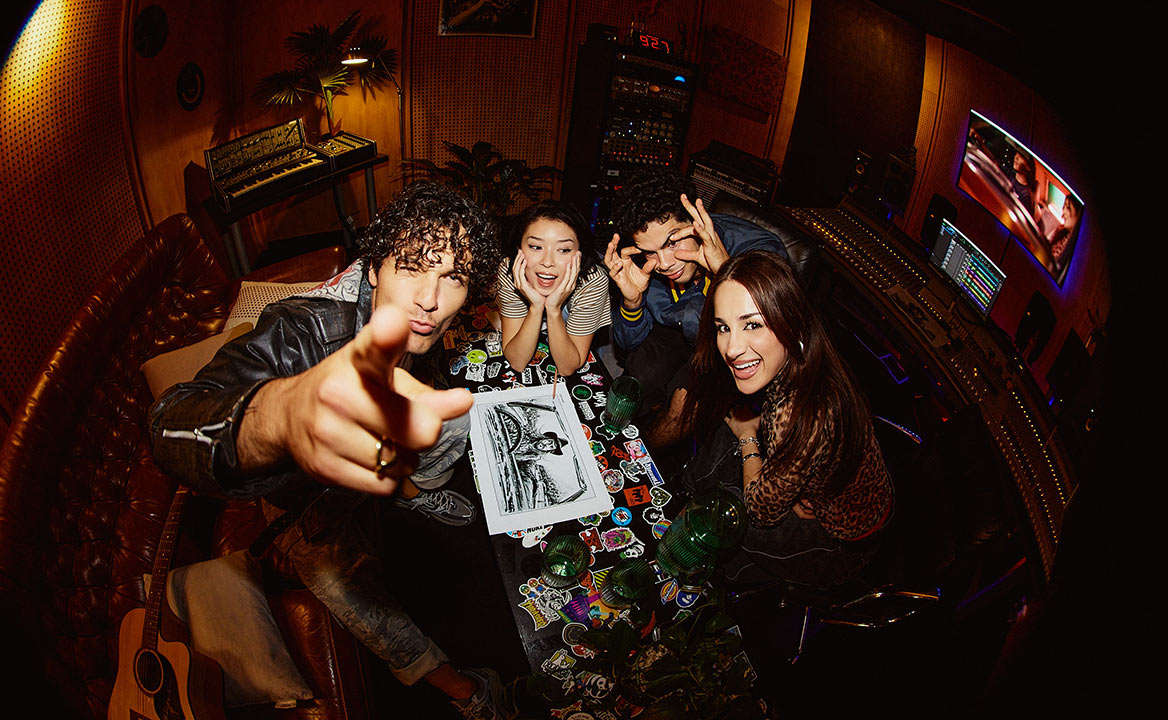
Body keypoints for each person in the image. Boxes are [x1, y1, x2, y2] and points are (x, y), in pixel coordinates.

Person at [148, 181, 511, 719]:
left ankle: (413, 493)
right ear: (372, 268)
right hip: (302, 500)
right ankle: (467, 694)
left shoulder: (415, 325)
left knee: (457, 420)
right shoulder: (305, 329)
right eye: (411, 267)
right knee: (362, 600)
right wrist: (280, 415)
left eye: (452, 277)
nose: (431, 300)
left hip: (375, 451)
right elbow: (167, 422)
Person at [676, 251, 894, 589]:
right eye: (723, 327)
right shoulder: (811, 355)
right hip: (838, 495)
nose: (732, 348)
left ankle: (713, 587)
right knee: (729, 426)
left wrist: (748, 437)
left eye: (752, 325)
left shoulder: (798, 414)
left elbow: (762, 511)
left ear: (789, 319)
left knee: (726, 513)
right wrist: (796, 486)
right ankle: (686, 496)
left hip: (840, 543)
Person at [604, 168, 787, 428]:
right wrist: (632, 302)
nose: (665, 264)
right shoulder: (645, 265)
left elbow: (768, 330)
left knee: (681, 409)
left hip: (725, 341)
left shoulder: (760, 251)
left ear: (694, 221)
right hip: (678, 329)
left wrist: (724, 270)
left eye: (672, 243)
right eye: (650, 252)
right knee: (639, 376)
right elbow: (626, 343)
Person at [496, 200, 610, 376]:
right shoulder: (510, 270)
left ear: (580, 252)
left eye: (563, 250)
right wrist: (535, 307)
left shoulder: (593, 281)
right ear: (519, 248)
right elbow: (517, 361)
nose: (547, 262)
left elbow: (567, 367)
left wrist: (553, 309)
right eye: (535, 247)